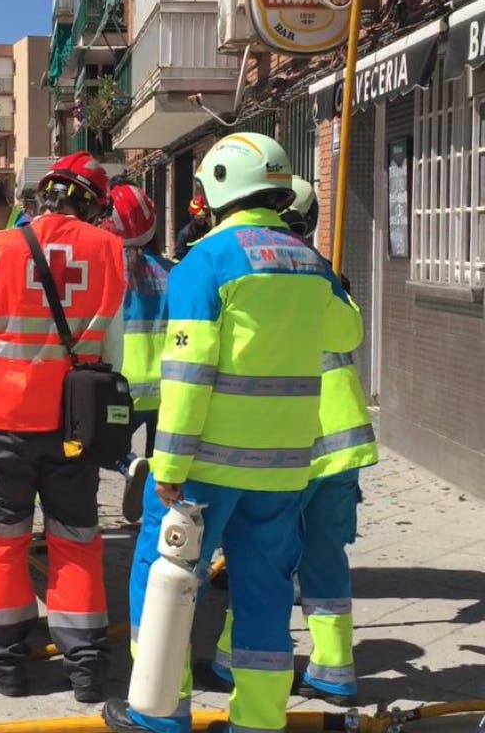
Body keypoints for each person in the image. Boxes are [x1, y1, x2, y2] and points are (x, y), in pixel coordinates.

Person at [102, 134, 364, 733]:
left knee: (164, 576)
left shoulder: (207, 262)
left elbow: (189, 377)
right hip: (283, 471)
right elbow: (347, 335)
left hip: (205, 469)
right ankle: (260, 720)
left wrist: (167, 465)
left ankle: (160, 710)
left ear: (217, 187)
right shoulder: (307, 261)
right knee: (265, 594)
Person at [0, 152, 125, 702]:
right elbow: (110, 352)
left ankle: (6, 667)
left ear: (44, 195)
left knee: (1, 540)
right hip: (75, 426)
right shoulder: (108, 250)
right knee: (77, 540)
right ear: (92, 205)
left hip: (6, 422)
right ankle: (87, 668)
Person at [210, 177, 377, 705]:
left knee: (262, 557)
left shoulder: (263, 275)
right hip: (340, 442)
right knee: (326, 559)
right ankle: (334, 670)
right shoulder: (325, 276)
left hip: (290, 442)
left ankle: (239, 661)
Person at [100, 180, 173, 524]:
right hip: (169, 389)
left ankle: (126, 465)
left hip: (121, 389)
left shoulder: (107, 273)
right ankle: (160, 520)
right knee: (164, 461)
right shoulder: (175, 272)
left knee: (100, 447)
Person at [172, 194, 211, 261]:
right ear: (193, 216)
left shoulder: (209, 230)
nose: (202, 219)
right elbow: (178, 257)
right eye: (199, 216)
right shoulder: (184, 234)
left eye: (204, 216)